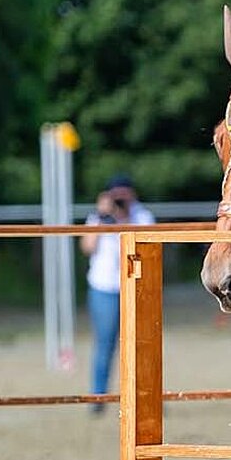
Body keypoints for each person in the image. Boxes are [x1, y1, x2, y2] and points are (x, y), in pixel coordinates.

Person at [81, 175, 155, 411]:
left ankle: (144, 397)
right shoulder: (98, 217)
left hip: (136, 288)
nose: (121, 201)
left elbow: (150, 248)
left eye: (125, 195)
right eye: (117, 196)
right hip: (104, 288)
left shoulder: (142, 216)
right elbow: (87, 248)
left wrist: (123, 219)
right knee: (105, 345)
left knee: (141, 345)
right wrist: (103, 219)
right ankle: (99, 398)